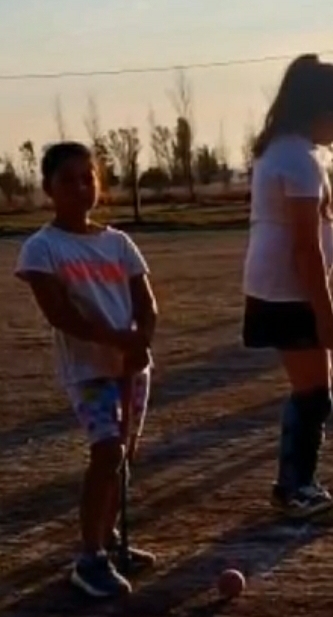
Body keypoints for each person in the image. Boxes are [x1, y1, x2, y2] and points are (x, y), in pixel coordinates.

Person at [14, 142, 158, 598]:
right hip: (90, 372)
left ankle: (111, 536)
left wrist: (140, 341)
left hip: (132, 368)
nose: (79, 187)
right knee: (107, 453)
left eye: (87, 178)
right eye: (67, 180)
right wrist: (118, 341)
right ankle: (90, 556)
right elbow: (61, 315)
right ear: (48, 189)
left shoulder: (118, 242)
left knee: (122, 457)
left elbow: (146, 304)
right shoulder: (42, 248)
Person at [241, 54, 333, 522]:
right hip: (290, 291)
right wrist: (325, 312)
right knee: (314, 394)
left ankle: (297, 482)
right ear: (321, 112)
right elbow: (305, 247)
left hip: (283, 287)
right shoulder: (298, 159)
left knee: (314, 391)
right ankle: (295, 487)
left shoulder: (291, 151)